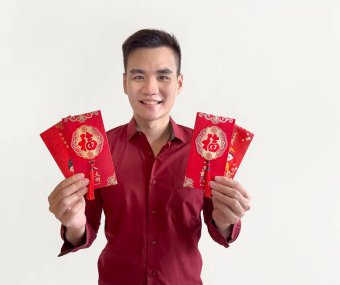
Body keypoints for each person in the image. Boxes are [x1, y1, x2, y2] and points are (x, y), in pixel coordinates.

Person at [48, 29, 251, 285]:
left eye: (163, 76)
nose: (150, 88)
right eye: (139, 76)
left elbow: (221, 230)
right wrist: (74, 225)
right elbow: (82, 231)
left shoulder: (206, 149)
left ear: (179, 83)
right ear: (124, 83)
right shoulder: (97, 149)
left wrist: (225, 222)